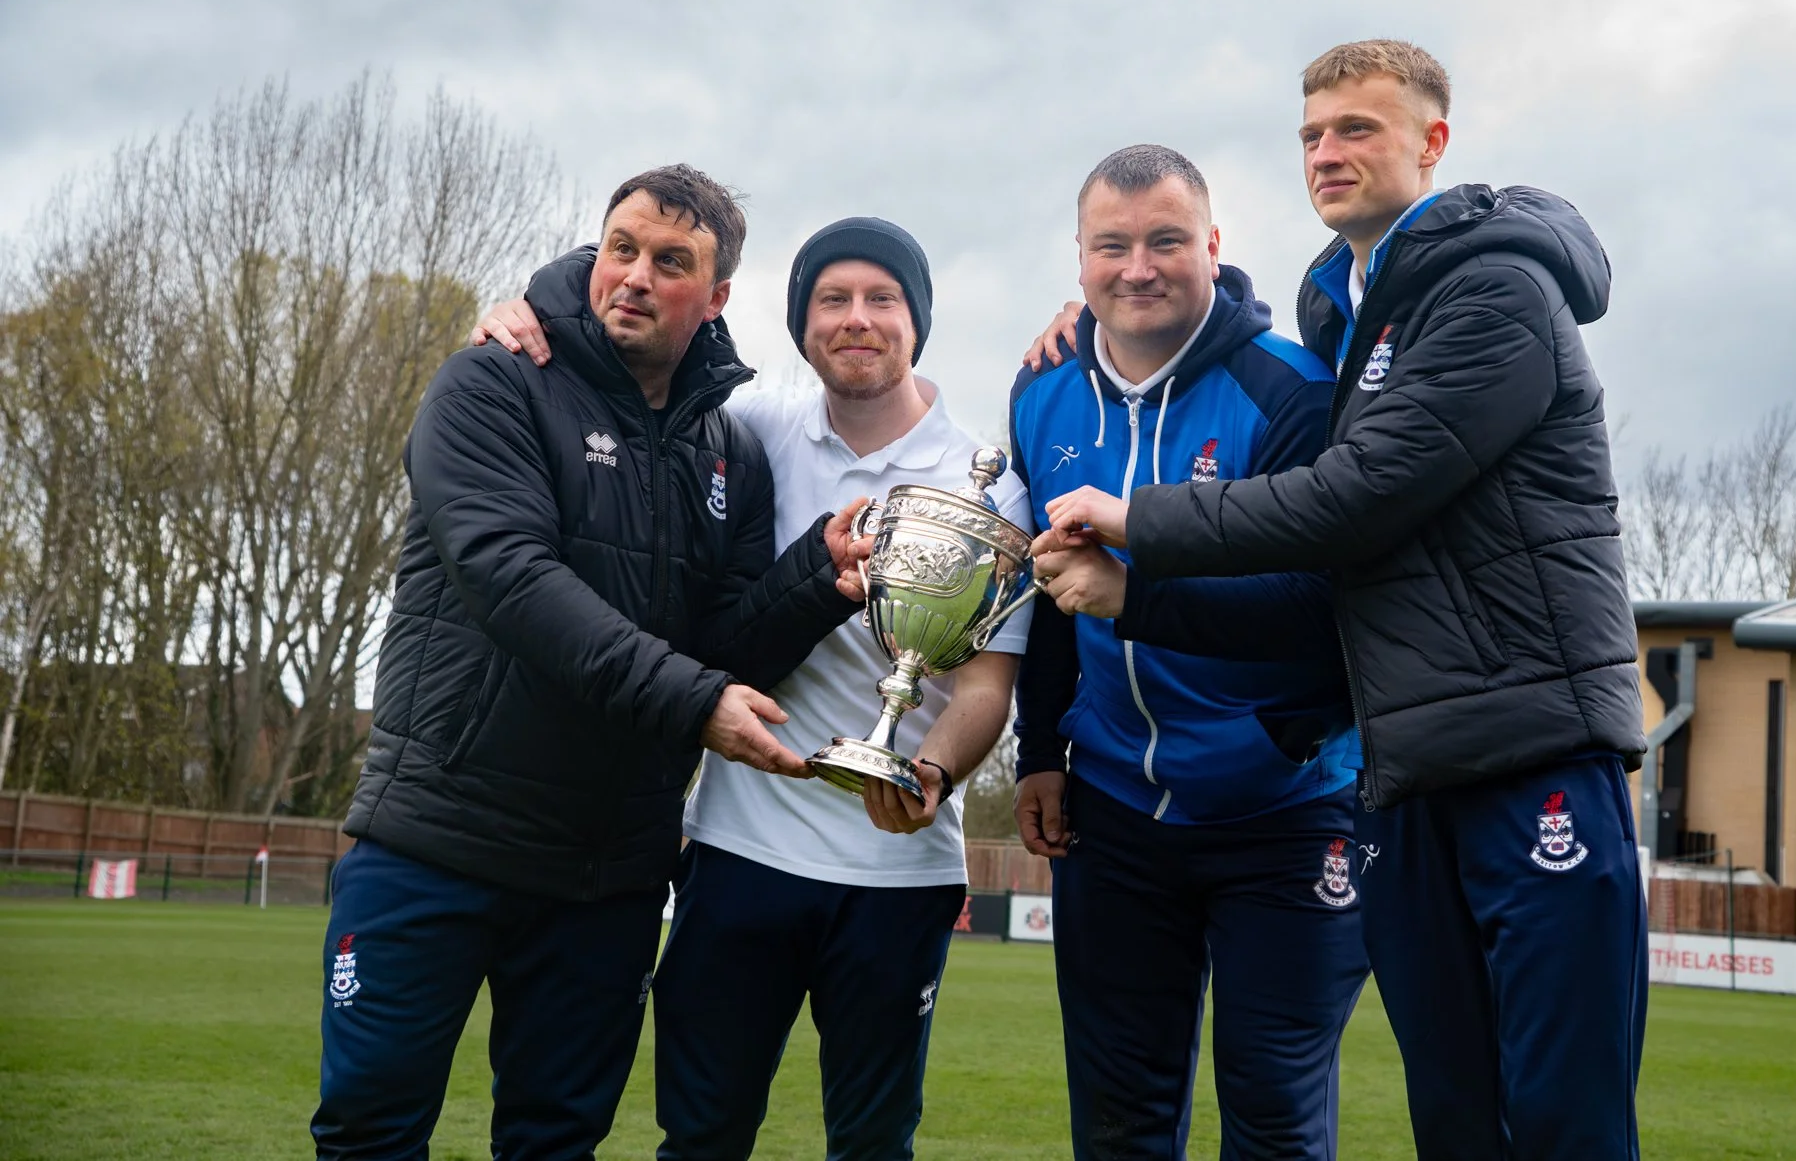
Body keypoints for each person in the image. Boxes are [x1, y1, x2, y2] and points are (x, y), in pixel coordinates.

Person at [1036, 43, 1651, 1160]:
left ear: (1432, 144)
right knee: (1455, 1117)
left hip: (1532, 746)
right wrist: (1091, 324)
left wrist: (1139, 524)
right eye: (1311, 133)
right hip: (1405, 765)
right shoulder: (1349, 312)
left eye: (1357, 129)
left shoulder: (1495, 290)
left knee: (1562, 1120)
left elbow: (1355, 499)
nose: (1326, 152)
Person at [314, 165, 871, 1160]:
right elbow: (511, 580)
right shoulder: (492, 381)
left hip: (606, 877)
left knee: (556, 1142)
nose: (635, 277)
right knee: (370, 1132)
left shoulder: (729, 456)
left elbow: (715, 651)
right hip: (436, 839)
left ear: (716, 297)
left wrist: (812, 580)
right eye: (621, 248)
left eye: (671, 262)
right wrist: (697, 701)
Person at [470, 216, 1029, 1160]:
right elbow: (623, 376)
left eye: (881, 298)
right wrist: (526, 316)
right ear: (802, 322)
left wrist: (927, 773)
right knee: (701, 1135)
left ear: (916, 319)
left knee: (872, 1141)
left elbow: (986, 683)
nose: (858, 320)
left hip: (900, 868)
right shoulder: (745, 434)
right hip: (739, 851)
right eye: (832, 300)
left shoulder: (990, 485)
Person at [1011, 144, 1371, 1160]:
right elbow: (1045, 588)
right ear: (1077, 261)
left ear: (1212, 247)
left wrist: (1138, 596)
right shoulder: (1040, 392)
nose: (1138, 268)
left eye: (1165, 241)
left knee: (1273, 1119)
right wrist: (1041, 749)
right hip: (1115, 814)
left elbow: (1326, 608)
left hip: (1288, 806)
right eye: (1110, 246)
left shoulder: (1294, 390)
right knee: (1118, 1125)